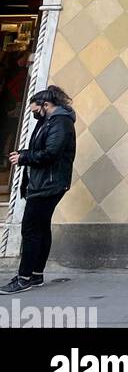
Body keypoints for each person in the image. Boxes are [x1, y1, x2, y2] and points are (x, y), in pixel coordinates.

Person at [2, 86, 76, 294]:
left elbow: (51, 153)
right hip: (45, 183)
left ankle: (24, 278)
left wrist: (24, 158)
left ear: (46, 105)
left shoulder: (60, 122)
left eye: (35, 110)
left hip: (48, 184)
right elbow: (42, 150)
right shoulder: (50, 121)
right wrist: (25, 153)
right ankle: (35, 275)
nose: (34, 114)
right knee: (41, 229)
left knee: (31, 229)